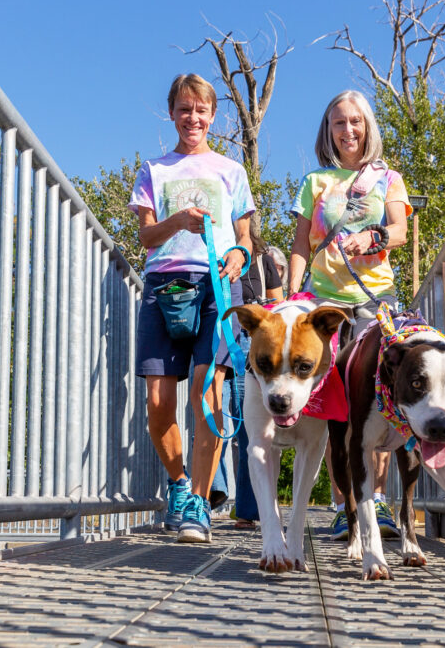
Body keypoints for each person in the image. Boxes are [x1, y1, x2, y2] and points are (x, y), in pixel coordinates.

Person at [129, 73, 254, 544]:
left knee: (207, 392)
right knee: (159, 403)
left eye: (201, 110)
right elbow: (145, 236)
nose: (193, 118)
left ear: (212, 115)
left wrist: (241, 254)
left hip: (217, 286)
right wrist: (177, 220)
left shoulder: (231, 170)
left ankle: (198, 504)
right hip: (165, 285)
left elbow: (243, 237)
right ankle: (179, 485)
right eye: (184, 109)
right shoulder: (153, 170)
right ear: (173, 113)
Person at [287, 89, 410, 541]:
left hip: (376, 300)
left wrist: (373, 238)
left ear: (368, 127)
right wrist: (292, 295)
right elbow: (301, 243)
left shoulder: (386, 178)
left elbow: (398, 230)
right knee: (338, 406)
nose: (348, 130)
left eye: (355, 121)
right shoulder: (315, 182)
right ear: (328, 130)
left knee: (376, 401)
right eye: (339, 123)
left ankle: (374, 505)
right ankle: (345, 505)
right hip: (325, 304)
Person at [226, 215, 284, 529]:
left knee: (250, 428)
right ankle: (213, 494)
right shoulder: (211, 252)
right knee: (215, 416)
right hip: (221, 339)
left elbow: (278, 303)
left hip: (253, 350)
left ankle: (250, 510)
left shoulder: (262, 261)